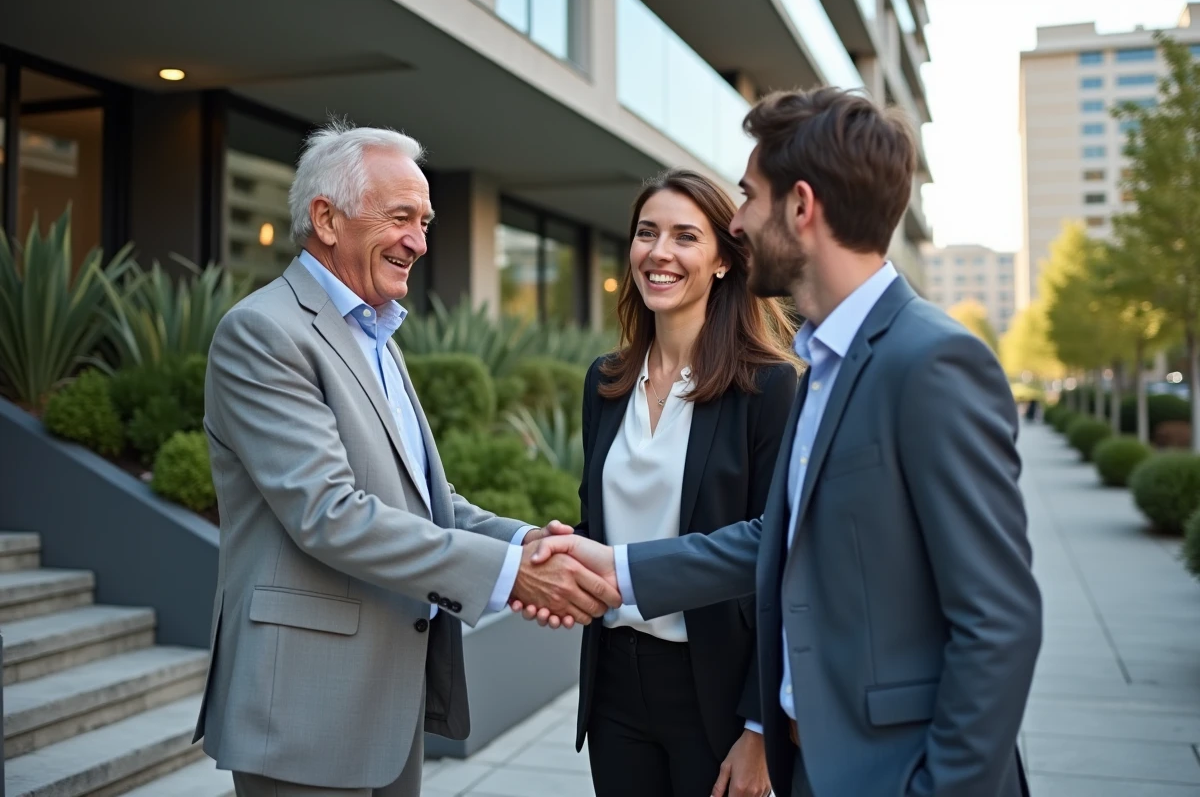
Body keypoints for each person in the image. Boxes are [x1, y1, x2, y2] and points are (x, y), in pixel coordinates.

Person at [520, 88, 1042, 797]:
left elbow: (999, 621)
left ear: (800, 207)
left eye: (748, 197)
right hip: (814, 762)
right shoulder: (825, 360)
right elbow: (776, 540)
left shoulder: (930, 361)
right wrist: (614, 569)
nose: (738, 220)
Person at [194, 119, 619, 796]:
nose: (419, 242)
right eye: (401, 218)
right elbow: (330, 514)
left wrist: (526, 540)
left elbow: (426, 495)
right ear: (326, 219)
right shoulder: (264, 333)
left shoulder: (377, 335)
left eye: (424, 221)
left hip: (386, 705)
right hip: (303, 708)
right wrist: (513, 575)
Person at [572, 170, 798, 797]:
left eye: (685, 236)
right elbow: (600, 526)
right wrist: (557, 553)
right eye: (647, 233)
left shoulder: (770, 387)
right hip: (615, 683)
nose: (659, 253)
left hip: (717, 693)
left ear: (723, 260)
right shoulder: (605, 381)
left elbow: (779, 555)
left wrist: (761, 727)